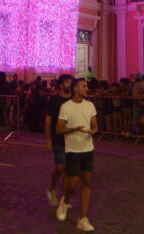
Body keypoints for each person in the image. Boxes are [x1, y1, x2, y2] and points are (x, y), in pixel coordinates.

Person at [55, 78, 98, 232]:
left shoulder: (90, 105)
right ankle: (65, 201)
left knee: (86, 181)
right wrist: (74, 129)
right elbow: (59, 129)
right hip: (72, 149)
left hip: (87, 148)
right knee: (72, 183)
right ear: (75, 89)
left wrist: (93, 130)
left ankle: (83, 218)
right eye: (83, 86)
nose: (87, 88)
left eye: (87, 86)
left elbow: (94, 124)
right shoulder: (66, 107)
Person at [45, 74, 73, 206]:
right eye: (67, 82)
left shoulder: (74, 100)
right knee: (60, 166)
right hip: (58, 138)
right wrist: (48, 139)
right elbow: (48, 120)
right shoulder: (55, 101)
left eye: (70, 82)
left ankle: (64, 198)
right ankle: (52, 188)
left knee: (68, 169)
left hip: (72, 139)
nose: (70, 84)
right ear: (61, 85)